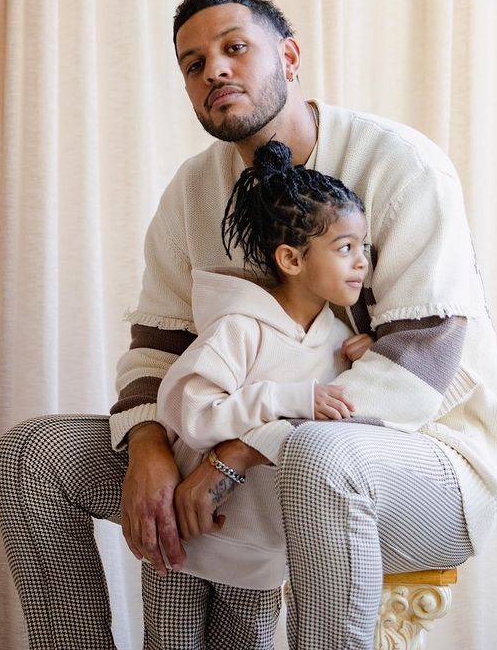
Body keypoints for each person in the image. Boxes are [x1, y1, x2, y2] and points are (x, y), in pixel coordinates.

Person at [0, 0, 497, 650]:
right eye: (193, 63)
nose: (214, 69)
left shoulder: (400, 165)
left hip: (426, 459)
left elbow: (421, 359)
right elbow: (158, 348)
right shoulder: (192, 191)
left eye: (235, 48)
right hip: (243, 458)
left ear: (290, 57)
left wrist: (239, 453)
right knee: (31, 457)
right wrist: (149, 446)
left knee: (318, 456)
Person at [150, 139, 373, 648]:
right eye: (345, 248)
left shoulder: (339, 340)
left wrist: (369, 358)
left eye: (364, 247)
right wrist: (286, 397)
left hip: (262, 560)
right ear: (291, 258)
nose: (361, 262)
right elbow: (198, 417)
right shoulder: (239, 327)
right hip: (186, 546)